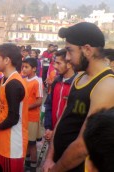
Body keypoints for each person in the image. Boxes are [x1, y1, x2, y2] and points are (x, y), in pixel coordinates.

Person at [42, 22, 114, 172]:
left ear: (87, 50)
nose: (67, 57)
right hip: (58, 163)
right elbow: (64, 117)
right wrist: (50, 157)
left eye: (70, 51)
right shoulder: (79, 77)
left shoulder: (106, 85)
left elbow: (83, 145)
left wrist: (56, 169)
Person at [0, 43, 28, 172]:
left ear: (7, 60)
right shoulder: (3, 79)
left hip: (13, 144)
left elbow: (13, 118)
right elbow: (2, 109)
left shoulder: (14, 84)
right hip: (2, 140)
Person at [44, 49, 76, 140]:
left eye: (58, 63)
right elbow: (49, 105)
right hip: (52, 130)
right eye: (54, 63)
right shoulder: (56, 82)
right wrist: (48, 128)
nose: (55, 66)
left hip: (67, 135)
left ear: (69, 64)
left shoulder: (76, 85)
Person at [21, 58, 43, 172]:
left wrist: (25, 108)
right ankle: (27, 163)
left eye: (27, 67)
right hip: (24, 117)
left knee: (32, 143)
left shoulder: (37, 81)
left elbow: (39, 101)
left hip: (32, 118)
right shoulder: (23, 80)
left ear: (34, 68)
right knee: (26, 142)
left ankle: (33, 167)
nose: (24, 69)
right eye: (23, 67)